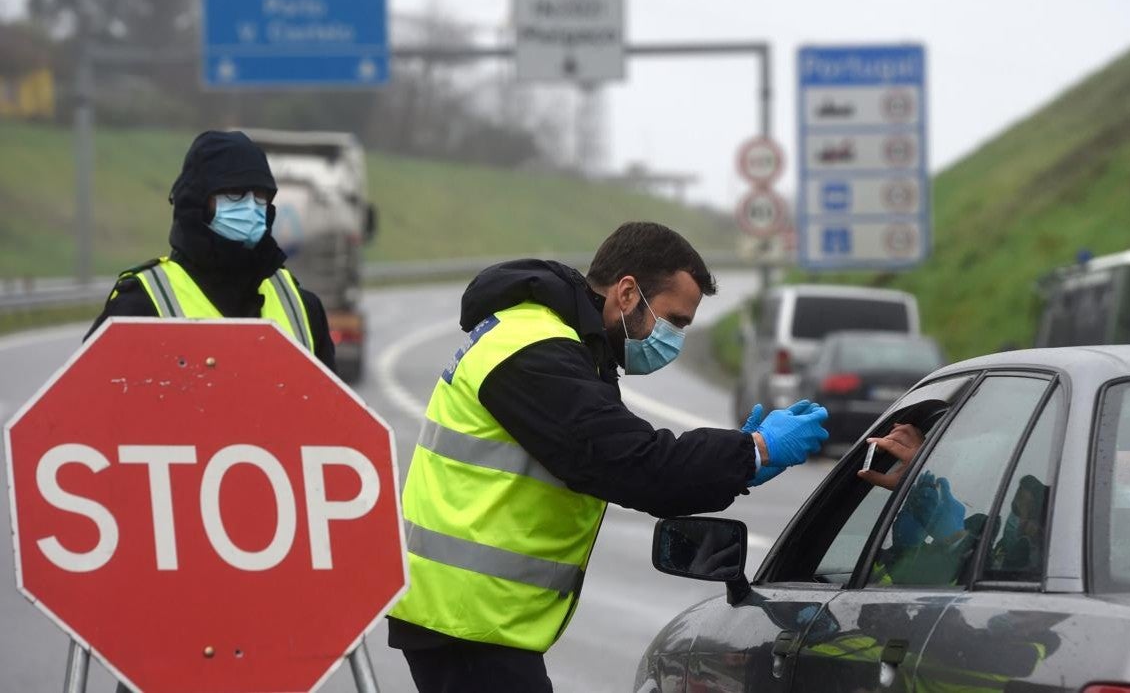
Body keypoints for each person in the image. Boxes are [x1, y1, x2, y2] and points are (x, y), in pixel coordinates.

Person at [386, 222, 828, 692]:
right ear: (627, 292)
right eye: (673, 321)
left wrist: (738, 458)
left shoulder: (566, 347)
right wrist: (753, 452)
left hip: (473, 618)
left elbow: (623, 452)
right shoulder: (532, 349)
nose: (674, 340)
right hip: (465, 619)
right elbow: (634, 464)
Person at [85, 130, 335, 371]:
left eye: (260, 195)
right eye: (235, 194)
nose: (251, 208)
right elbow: (89, 405)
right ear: (197, 201)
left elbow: (331, 410)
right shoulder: (139, 307)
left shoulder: (303, 307)